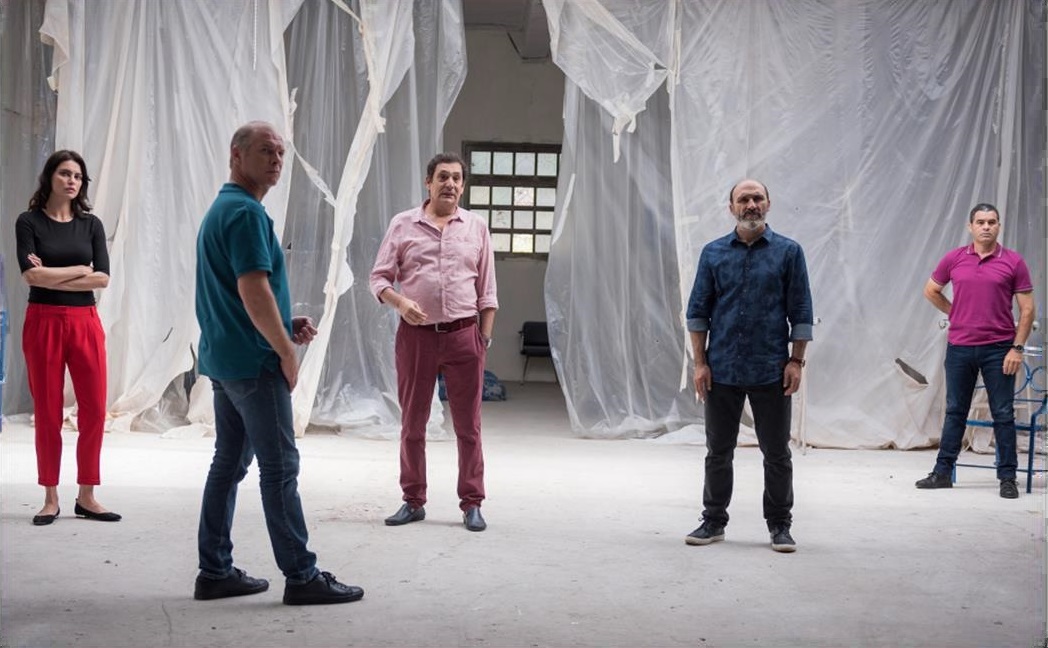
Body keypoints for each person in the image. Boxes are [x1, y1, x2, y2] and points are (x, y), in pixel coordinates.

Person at [193, 121, 363, 605]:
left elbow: (236, 295)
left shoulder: (223, 208)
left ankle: (214, 571)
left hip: (226, 359)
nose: (276, 161)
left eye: (281, 153)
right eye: (266, 150)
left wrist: (284, 324)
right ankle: (302, 576)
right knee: (280, 467)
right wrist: (286, 351)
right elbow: (252, 289)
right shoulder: (246, 213)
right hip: (253, 364)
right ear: (236, 155)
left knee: (228, 464)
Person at [369, 152, 498, 533]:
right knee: (413, 424)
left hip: (464, 336)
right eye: (443, 177)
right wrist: (400, 303)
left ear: (463, 186)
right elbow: (378, 278)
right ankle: (413, 500)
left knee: (468, 428)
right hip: (417, 339)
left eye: (457, 178)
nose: (450, 184)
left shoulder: (476, 227)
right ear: (428, 183)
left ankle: (472, 503)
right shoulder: (403, 224)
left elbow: (487, 291)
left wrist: (483, 338)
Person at [684, 179, 813, 553]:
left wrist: (796, 361)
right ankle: (713, 520)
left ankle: (780, 525)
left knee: (777, 453)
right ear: (732, 208)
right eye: (744, 199)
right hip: (721, 368)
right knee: (718, 450)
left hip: (771, 369)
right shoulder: (713, 253)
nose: (751, 204)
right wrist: (700, 363)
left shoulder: (789, 252)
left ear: (769, 204)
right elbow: (698, 313)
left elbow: (801, 311)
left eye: (758, 198)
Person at [15, 150, 121, 526]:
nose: (72, 180)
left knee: (94, 409)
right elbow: (31, 276)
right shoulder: (28, 222)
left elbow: (103, 278)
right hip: (42, 321)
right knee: (47, 411)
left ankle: (87, 495)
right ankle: (50, 497)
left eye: (77, 176)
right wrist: (79, 269)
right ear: (50, 177)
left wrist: (52, 273)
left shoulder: (91, 225)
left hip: (85, 321)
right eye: (64, 173)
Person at [915, 203, 1034, 499]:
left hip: (999, 349)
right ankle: (942, 473)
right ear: (970, 226)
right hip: (960, 347)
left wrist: (1017, 348)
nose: (986, 227)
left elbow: (1027, 310)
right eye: (980, 222)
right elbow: (930, 290)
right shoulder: (954, 258)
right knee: (955, 410)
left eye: (992, 222)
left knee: (1003, 413)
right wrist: (956, 313)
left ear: (999, 226)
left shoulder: (1013, 262)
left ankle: (1008, 478)